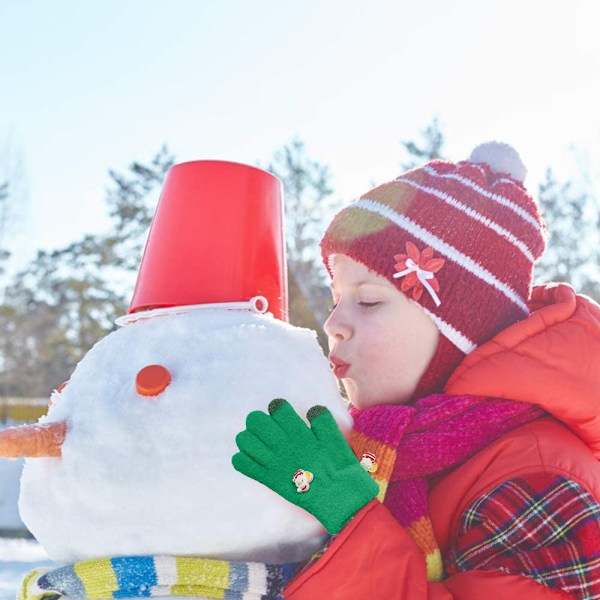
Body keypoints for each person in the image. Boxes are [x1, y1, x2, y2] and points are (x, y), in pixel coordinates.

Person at [233, 142, 600, 599]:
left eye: (368, 301)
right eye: (335, 301)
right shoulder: (386, 448)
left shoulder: (539, 478)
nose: (332, 325)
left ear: (462, 334)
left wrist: (349, 517)